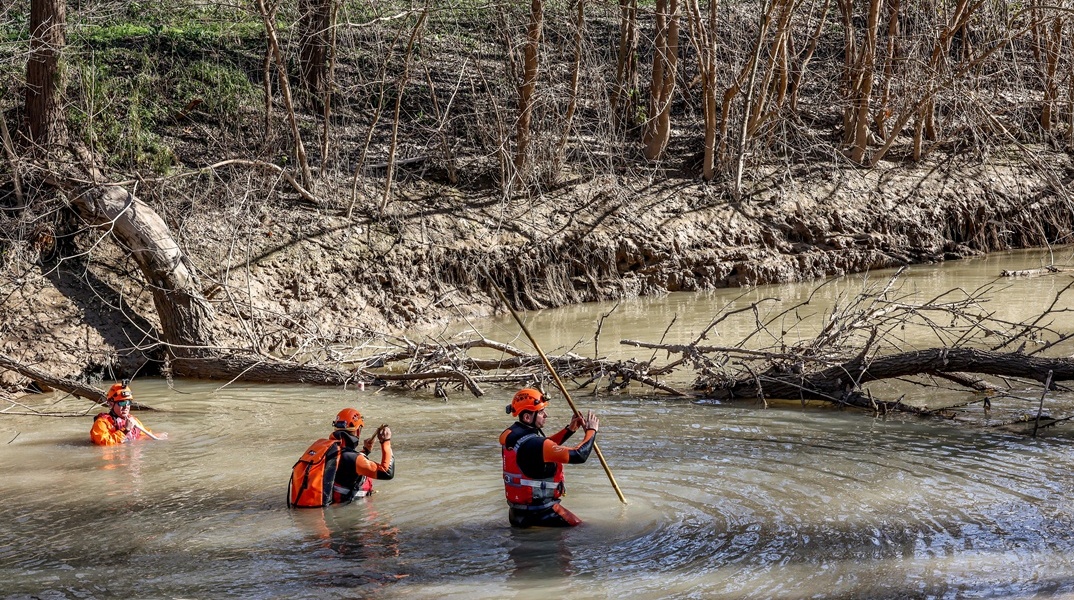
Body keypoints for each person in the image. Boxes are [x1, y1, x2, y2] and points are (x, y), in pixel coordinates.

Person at [499, 388, 599, 527]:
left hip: (516, 514)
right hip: (544, 513)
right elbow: (579, 455)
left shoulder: (510, 435)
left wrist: (569, 430)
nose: (545, 415)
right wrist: (591, 431)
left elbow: (543, 449)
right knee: (583, 529)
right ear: (527, 417)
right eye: (540, 412)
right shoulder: (537, 444)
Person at [328, 408, 395, 504]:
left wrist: (366, 451)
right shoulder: (353, 459)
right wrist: (386, 442)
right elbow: (387, 472)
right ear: (358, 431)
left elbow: (347, 464)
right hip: (347, 512)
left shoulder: (330, 450)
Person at [89, 382, 167, 446]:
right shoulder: (101, 423)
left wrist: (162, 437)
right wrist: (125, 430)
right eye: (122, 402)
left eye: (128, 402)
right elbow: (104, 443)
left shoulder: (133, 420)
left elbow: (144, 434)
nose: (126, 406)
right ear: (111, 403)